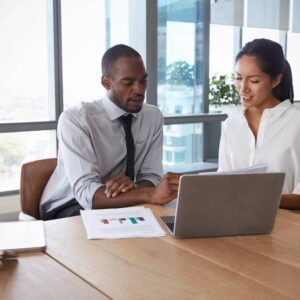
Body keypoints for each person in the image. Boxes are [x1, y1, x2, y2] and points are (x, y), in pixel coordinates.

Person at [40, 44, 181, 220]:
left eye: (143, 81)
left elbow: (151, 176)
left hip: (122, 203)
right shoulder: (76, 119)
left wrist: (134, 187)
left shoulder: (152, 117)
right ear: (106, 82)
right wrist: (150, 194)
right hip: (69, 207)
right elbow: (86, 194)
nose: (139, 89)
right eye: (128, 82)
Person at [218, 38, 300, 210]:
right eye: (239, 78)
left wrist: (262, 198)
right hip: (235, 222)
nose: (243, 88)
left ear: (276, 80)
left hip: (287, 228)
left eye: (254, 81)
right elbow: (222, 180)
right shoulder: (231, 124)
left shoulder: (296, 122)